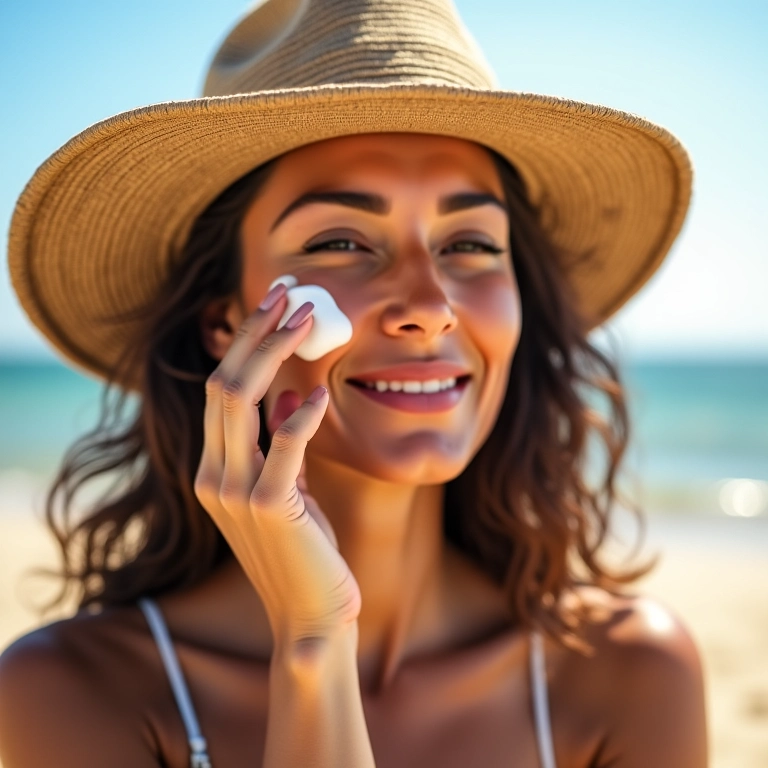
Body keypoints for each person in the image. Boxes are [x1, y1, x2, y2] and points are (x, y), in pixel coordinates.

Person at [0, 1, 707, 766]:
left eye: (470, 242)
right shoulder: (73, 691)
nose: (430, 310)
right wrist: (313, 646)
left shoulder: (629, 674)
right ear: (224, 321)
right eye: (339, 241)